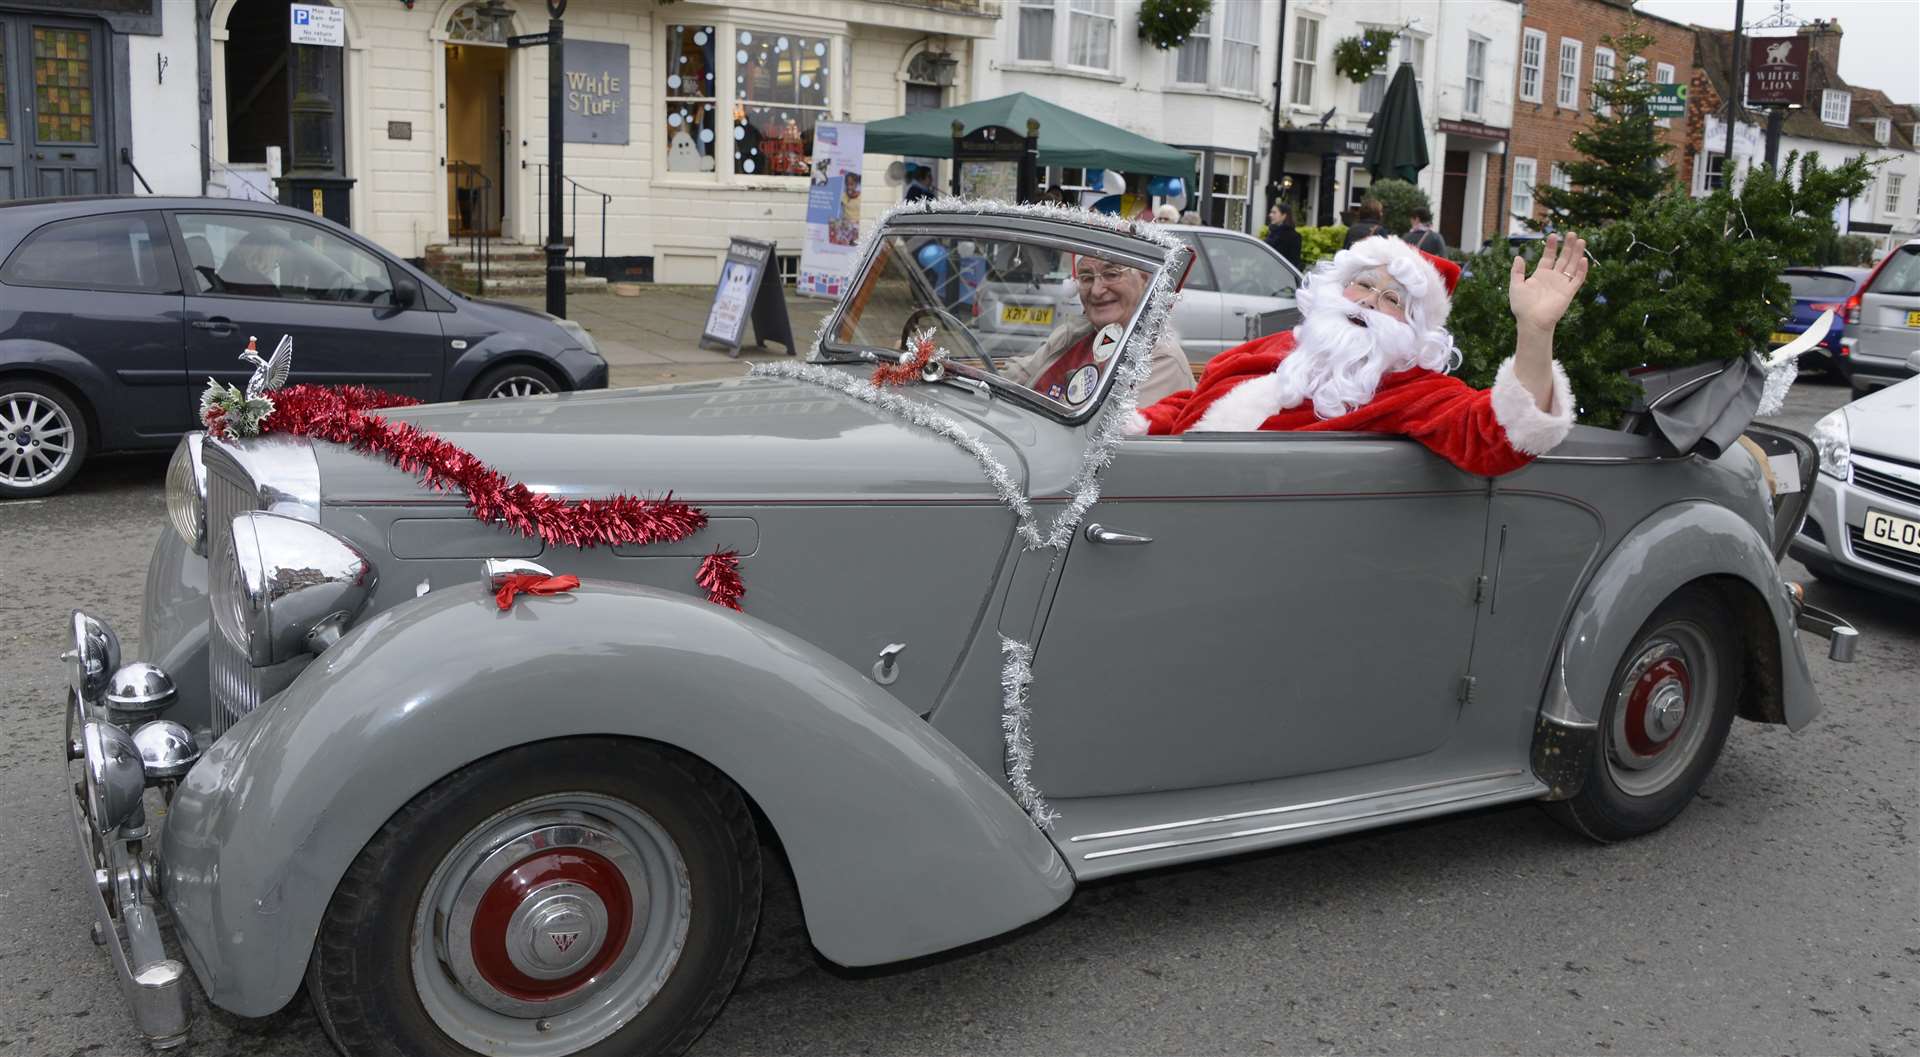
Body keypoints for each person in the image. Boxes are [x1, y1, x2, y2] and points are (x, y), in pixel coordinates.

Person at [1129, 232, 1587, 477]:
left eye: (1393, 301)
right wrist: (1133, 424)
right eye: (1364, 284)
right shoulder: (1269, 350)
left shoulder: (1413, 390)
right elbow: (1188, 408)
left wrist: (1534, 332)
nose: (1368, 302)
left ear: (1416, 330)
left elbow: (1497, 437)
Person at [1001, 253, 1192, 409]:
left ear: (1144, 279)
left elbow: (1106, 434)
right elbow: (1022, 373)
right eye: (1086, 278)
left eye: (1111, 274)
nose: (1096, 290)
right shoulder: (1074, 334)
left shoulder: (1159, 357)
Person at [1264, 203, 1302, 272]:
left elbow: (1294, 263)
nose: (1270, 215)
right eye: (1271, 212)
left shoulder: (1294, 237)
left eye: (1274, 212)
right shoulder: (1272, 232)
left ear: (1284, 216)